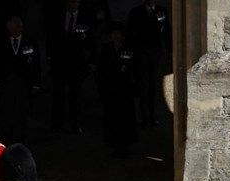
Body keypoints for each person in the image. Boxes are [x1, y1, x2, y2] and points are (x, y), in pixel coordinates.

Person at [48, 0, 95, 134]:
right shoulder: (58, 16)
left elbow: (91, 40)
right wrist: (50, 57)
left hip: (77, 63)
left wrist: (92, 60)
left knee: (76, 95)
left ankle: (75, 123)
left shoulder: (85, 19)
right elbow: (51, 37)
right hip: (59, 62)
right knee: (58, 94)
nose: (71, 3)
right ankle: (57, 123)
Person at [0, 16, 40, 142]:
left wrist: (36, 83)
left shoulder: (30, 41)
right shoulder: (2, 42)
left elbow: (36, 64)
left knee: (22, 111)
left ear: (21, 28)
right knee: (7, 111)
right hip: (7, 84)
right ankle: (8, 136)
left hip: (24, 84)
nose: (14, 31)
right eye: (11, 29)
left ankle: (21, 137)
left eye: (16, 28)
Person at [127, 0, 170, 128]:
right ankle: (145, 117)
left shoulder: (161, 10)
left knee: (153, 85)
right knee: (144, 85)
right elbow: (130, 32)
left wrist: (169, 49)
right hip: (142, 51)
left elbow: (166, 30)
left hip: (155, 52)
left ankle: (151, 115)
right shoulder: (136, 12)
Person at [98, 25, 138, 158]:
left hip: (124, 90)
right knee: (112, 118)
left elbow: (132, 66)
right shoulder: (106, 49)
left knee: (125, 117)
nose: (115, 36)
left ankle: (125, 146)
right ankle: (115, 145)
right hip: (110, 89)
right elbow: (101, 68)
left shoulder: (128, 48)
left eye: (118, 34)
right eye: (113, 33)